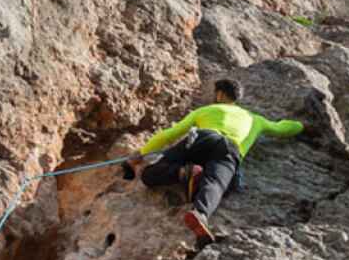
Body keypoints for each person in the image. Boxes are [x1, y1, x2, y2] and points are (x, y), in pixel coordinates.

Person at [128, 78, 305, 242]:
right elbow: (283, 129)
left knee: (149, 174)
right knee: (217, 184)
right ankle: (201, 214)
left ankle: (184, 172)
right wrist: (302, 126)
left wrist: (141, 153)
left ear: (219, 94)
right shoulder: (254, 119)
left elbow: (169, 135)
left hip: (202, 138)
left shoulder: (206, 110)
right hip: (230, 150)